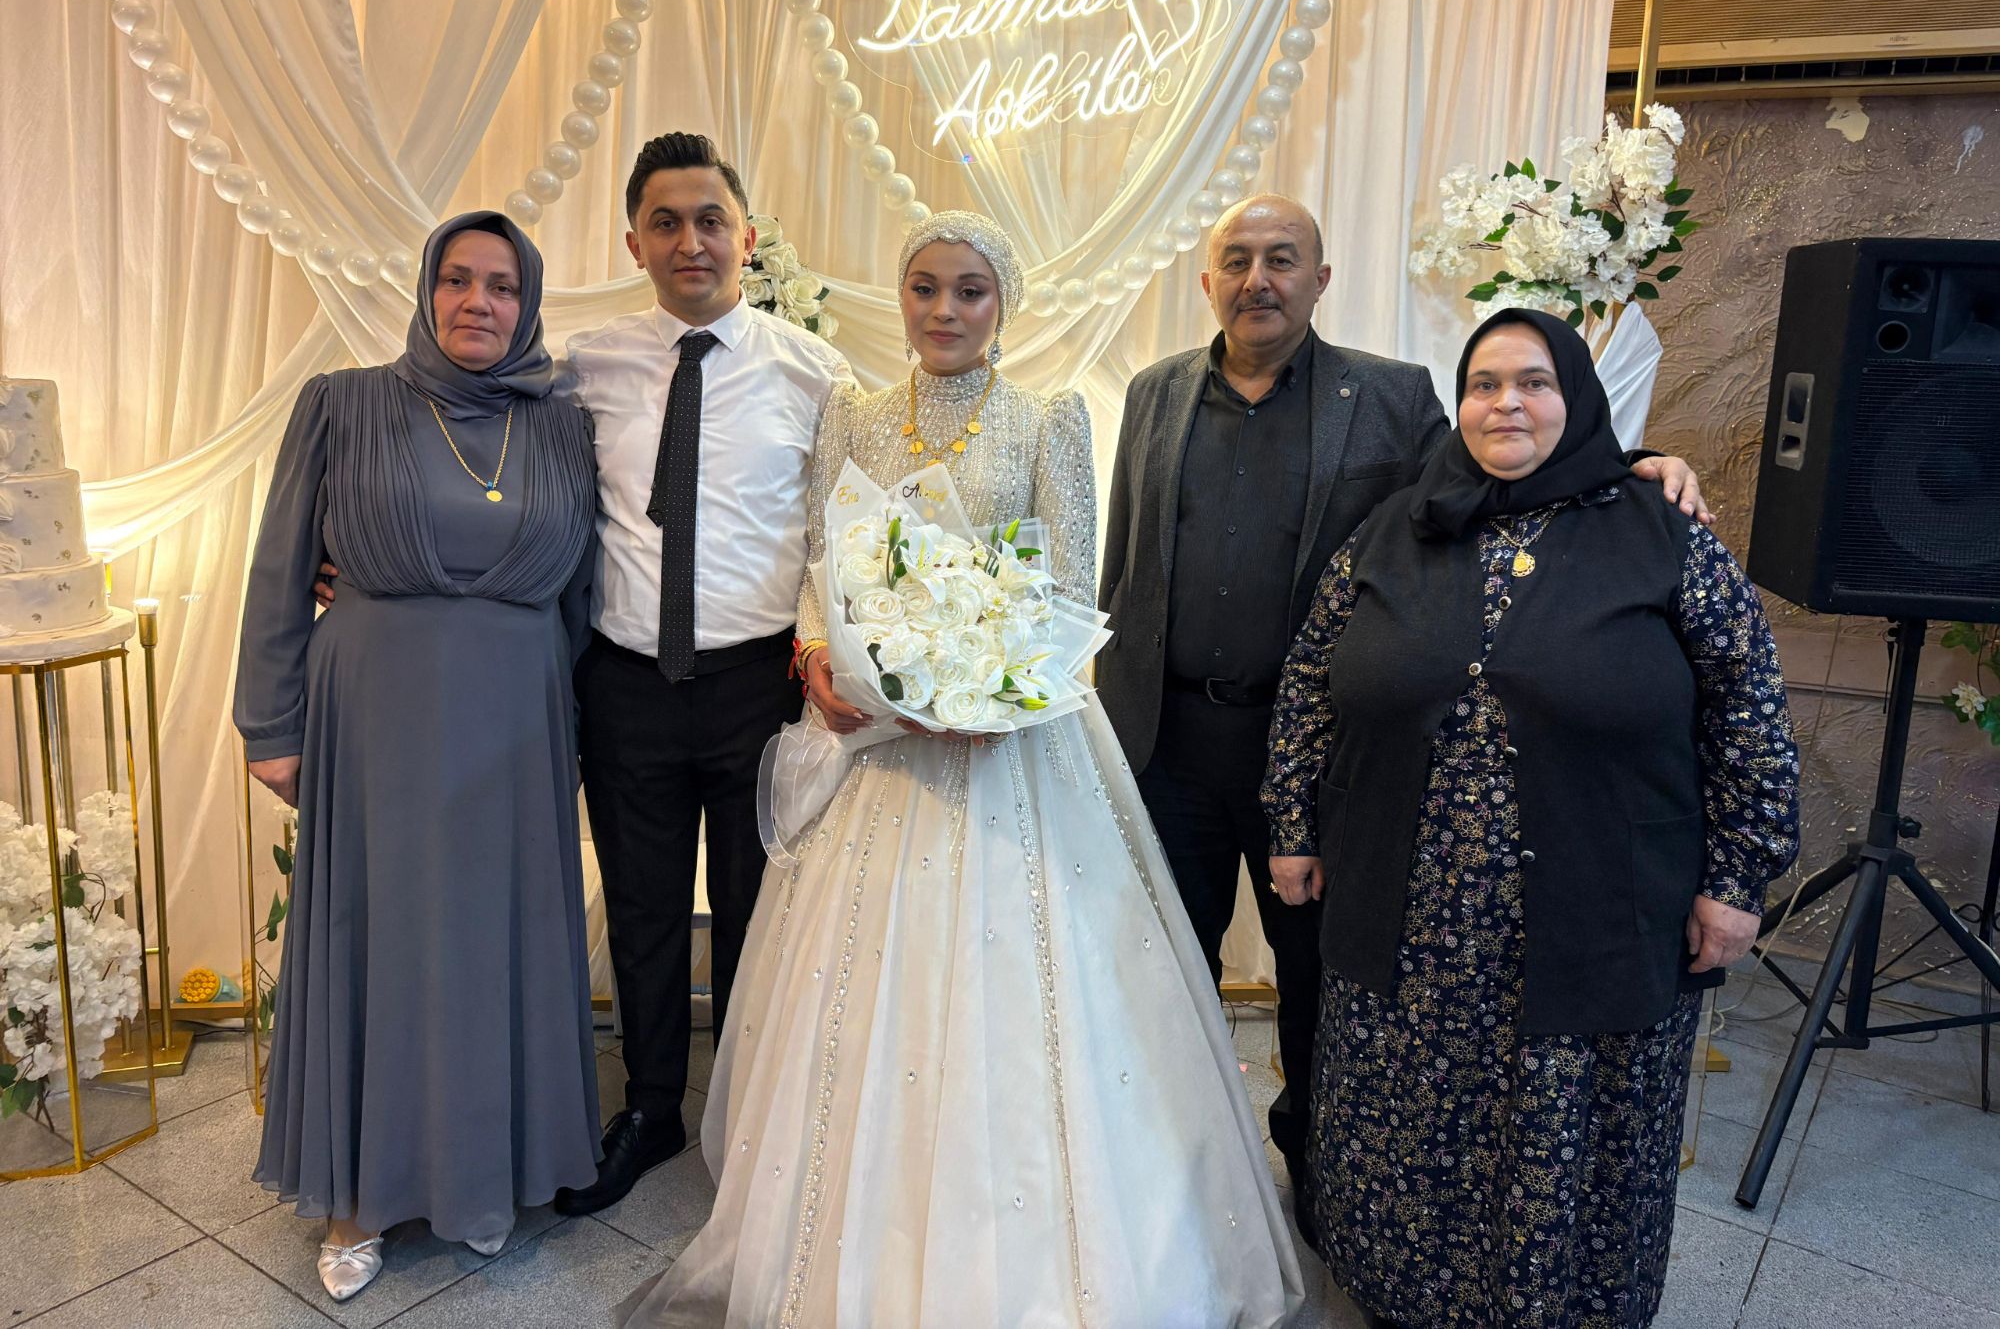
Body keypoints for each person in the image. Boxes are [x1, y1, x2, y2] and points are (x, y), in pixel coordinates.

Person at [615, 212, 1304, 1328]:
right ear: (900, 296)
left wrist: (990, 690)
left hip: (1008, 753)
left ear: (1002, 304)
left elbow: (1067, 589)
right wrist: (817, 655)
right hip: (879, 752)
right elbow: (821, 560)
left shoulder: (1046, 418)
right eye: (925, 287)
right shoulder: (853, 412)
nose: (944, 310)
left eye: (969, 290)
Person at [1095, 194, 1710, 1228]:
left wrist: (1637, 466)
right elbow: (1124, 562)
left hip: (1322, 756)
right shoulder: (1154, 393)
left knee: (1317, 981)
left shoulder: (1387, 394)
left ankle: (1316, 1182)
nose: (1257, 279)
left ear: (1320, 279)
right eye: (1236, 259)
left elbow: (1494, 477)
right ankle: (1171, 1181)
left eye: (1281, 258)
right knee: (1159, 970)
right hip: (1166, 741)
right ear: (1206, 281)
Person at [1261, 308, 1800, 1329]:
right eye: (1484, 384)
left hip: (1600, 910)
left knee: (1564, 1128)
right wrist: (1291, 823)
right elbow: (1308, 689)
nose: (1505, 403)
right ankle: (1406, 1300)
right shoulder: (1392, 530)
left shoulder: (1663, 534)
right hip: (1407, 919)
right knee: (1409, 1121)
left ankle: (1561, 1308)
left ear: (1577, 400)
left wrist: (1737, 880)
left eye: (1534, 382)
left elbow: (1749, 710)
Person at [235, 211, 601, 1301]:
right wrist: (271, 724)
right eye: (457, 279)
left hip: (517, 727)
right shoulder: (342, 403)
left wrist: (570, 728)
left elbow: (581, 600)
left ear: (527, 304)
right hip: (377, 722)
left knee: (494, 950)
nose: (477, 302)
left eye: (501, 285)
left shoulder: (563, 426)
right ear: (427, 289)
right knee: (379, 944)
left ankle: (483, 1178)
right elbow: (279, 567)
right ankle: (358, 1196)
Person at [556, 132, 852, 1215]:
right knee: (638, 907)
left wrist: (825, 656)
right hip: (625, 680)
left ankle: (744, 1114)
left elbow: (838, 538)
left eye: (710, 220)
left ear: (747, 236)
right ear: (633, 241)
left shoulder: (816, 375)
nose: (691, 241)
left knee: (753, 910)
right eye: (667, 223)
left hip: (757, 685)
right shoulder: (583, 370)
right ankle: (650, 1108)